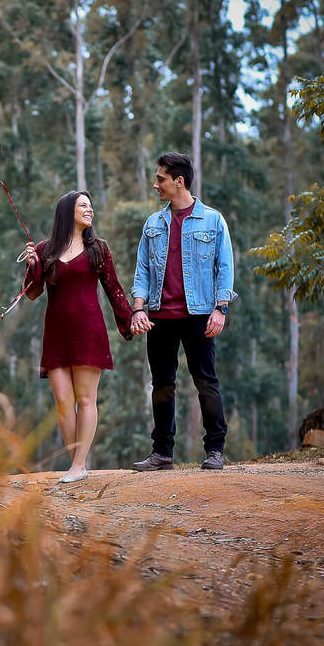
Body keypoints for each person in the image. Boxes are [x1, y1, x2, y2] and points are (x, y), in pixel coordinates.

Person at [129, 152, 236, 472]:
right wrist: (138, 310)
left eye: (160, 179)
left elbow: (225, 268)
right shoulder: (153, 224)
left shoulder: (213, 220)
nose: (156, 184)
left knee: (206, 382)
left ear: (179, 181)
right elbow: (142, 271)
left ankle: (215, 450)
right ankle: (162, 452)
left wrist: (220, 309)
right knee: (162, 385)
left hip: (199, 315)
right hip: (159, 317)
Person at [23, 190, 134, 483]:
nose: (90, 209)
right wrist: (33, 266)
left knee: (85, 399)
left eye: (90, 205)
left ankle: (78, 465)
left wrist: (130, 320)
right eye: (83, 205)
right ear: (67, 212)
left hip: (88, 331)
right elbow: (33, 293)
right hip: (56, 334)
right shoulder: (45, 249)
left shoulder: (98, 249)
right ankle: (77, 465)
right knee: (63, 402)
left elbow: (114, 288)